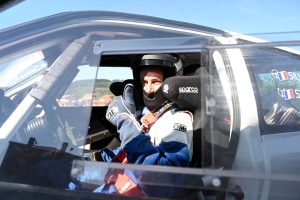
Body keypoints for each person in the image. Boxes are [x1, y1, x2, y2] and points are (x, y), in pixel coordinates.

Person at [95, 54, 194, 197]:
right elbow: (131, 153)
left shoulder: (177, 120)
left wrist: (126, 123)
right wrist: (93, 159)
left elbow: (164, 185)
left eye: (155, 82)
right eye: (143, 82)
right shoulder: (149, 113)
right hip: (119, 184)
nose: (148, 89)